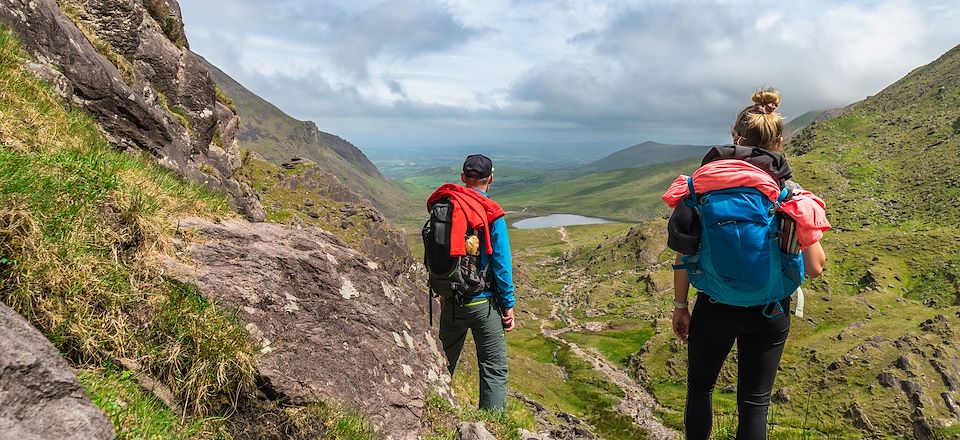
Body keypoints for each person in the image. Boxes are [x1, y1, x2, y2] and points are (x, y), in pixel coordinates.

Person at [669, 89, 828, 439]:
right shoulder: (789, 193)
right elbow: (815, 267)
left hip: (714, 308)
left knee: (700, 389)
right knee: (754, 404)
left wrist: (681, 306)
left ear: (734, 138)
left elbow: (683, 254)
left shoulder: (701, 188)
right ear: (779, 141)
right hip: (770, 311)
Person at [438, 154, 516, 411]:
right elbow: (501, 263)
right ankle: (492, 427)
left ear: (463, 178)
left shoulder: (446, 205)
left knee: (441, 363)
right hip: (483, 304)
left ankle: (434, 411)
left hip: (450, 300)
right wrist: (509, 306)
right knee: (494, 370)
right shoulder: (491, 212)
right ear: (490, 179)